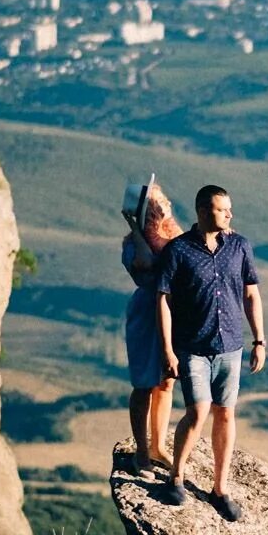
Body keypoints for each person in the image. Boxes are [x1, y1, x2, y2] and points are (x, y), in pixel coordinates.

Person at [155, 184, 266, 521]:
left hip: (231, 346)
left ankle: (220, 489)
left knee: (226, 413)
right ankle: (177, 478)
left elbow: (251, 295)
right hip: (193, 348)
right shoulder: (178, 251)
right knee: (198, 411)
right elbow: (163, 300)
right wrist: (168, 350)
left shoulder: (240, 246)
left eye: (229, 209)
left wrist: (260, 340)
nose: (230, 214)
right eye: (222, 208)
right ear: (204, 211)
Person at [121, 180, 180, 473]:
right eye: (158, 204)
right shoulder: (133, 246)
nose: (166, 206)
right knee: (144, 383)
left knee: (166, 381)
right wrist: (134, 227)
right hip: (147, 315)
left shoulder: (173, 237)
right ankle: (142, 451)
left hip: (173, 313)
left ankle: (158, 445)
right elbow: (146, 264)